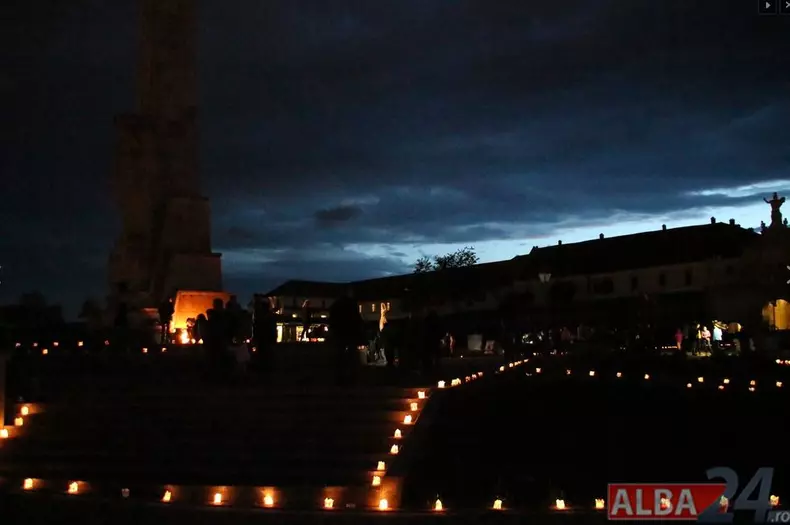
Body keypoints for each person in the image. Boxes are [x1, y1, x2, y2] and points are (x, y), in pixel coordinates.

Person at [328, 288, 363, 384]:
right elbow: (357, 319)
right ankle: (352, 376)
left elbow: (332, 319)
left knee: (340, 355)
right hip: (350, 332)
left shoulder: (336, 305)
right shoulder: (351, 304)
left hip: (340, 332)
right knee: (351, 354)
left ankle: (339, 376)